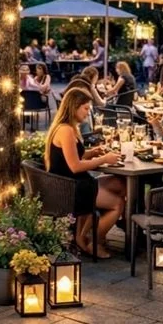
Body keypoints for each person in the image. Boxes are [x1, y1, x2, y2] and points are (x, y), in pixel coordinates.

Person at [45, 88, 126, 258]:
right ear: (74, 107)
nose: (88, 112)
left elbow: (71, 157)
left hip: (75, 181)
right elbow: (75, 166)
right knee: (118, 203)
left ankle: (85, 233)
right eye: (85, 108)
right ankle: (93, 241)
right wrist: (104, 159)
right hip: (69, 188)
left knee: (121, 184)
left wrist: (92, 153)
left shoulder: (68, 127)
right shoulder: (65, 130)